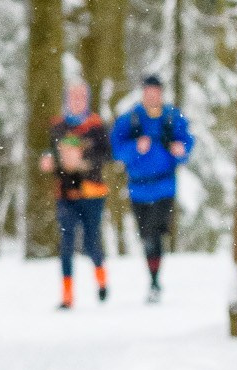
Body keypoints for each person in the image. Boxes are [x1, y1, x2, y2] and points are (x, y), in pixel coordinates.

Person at [109, 71, 193, 300]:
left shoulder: (172, 117)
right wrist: (136, 147)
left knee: (155, 233)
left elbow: (186, 142)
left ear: (161, 94)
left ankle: (155, 282)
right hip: (138, 188)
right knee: (146, 236)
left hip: (165, 186)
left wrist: (181, 151)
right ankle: (154, 279)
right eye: (148, 92)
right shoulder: (131, 119)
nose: (152, 97)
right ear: (143, 93)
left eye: (156, 93)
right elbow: (116, 150)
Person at [42, 76, 112, 307]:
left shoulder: (96, 126)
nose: (77, 101)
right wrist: (50, 162)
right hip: (65, 193)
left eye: (81, 96)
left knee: (92, 242)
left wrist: (83, 162)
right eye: (73, 96)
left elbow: (106, 156)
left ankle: (101, 279)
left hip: (92, 194)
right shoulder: (57, 126)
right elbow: (50, 153)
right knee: (67, 242)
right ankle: (67, 295)